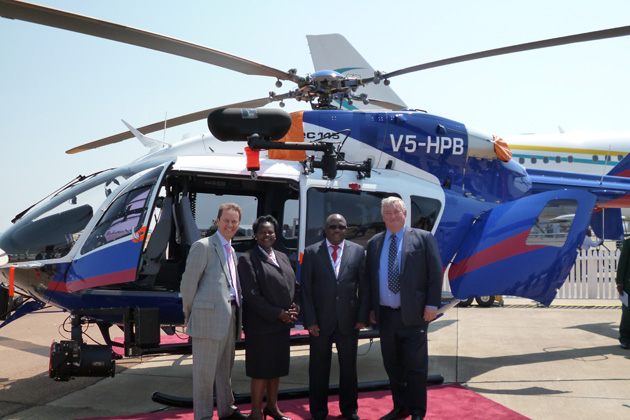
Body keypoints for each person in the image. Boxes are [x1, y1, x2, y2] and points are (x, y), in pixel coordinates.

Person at [366, 197, 443, 420]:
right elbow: (370, 279)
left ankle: (417, 412)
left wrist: (432, 305)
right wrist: (371, 307)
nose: (392, 216)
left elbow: (435, 273)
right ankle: (401, 407)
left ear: (405, 213)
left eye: (396, 212)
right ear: (383, 216)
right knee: (393, 366)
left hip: (415, 314)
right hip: (386, 316)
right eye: (388, 213)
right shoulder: (374, 243)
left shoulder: (423, 238)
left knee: (416, 368)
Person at [180, 203, 249, 420]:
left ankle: (227, 411)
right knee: (204, 374)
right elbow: (188, 285)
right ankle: (203, 416)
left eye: (234, 221)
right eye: (226, 220)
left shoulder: (231, 250)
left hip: (230, 317)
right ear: (217, 221)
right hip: (208, 319)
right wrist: (189, 314)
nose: (230, 225)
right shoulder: (203, 246)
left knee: (225, 371)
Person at [300, 213, 369, 420]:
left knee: (349, 368)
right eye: (333, 226)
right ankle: (319, 411)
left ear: (346, 229)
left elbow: (365, 287)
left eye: (341, 227)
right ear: (325, 229)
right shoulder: (311, 252)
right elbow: (306, 290)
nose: (337, 230)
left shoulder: (358, 251)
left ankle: (349, 410)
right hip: (320, 322)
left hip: (349, 320)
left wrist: (362, 316)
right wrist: (310, 320)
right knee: (318, 369)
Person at [237, 215, 299, 420]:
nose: (267, 235)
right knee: (261, 370)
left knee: (276, 368)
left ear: (276, 234)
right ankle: (256, 412)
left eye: (271, 232)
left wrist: (294, 308)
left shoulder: (282, 256)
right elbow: (252, 295)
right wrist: (278, 313)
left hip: (282, 325)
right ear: (255, 235)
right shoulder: (247, 259)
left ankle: (272, 407)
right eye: (262, 232)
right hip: (261, 326)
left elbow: (293, 286)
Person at [616, 237, 630, 349]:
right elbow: (622, 263)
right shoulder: (628, 243)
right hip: (629, 285)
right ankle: (625, 338)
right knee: (627, 313)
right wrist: (619, 282)